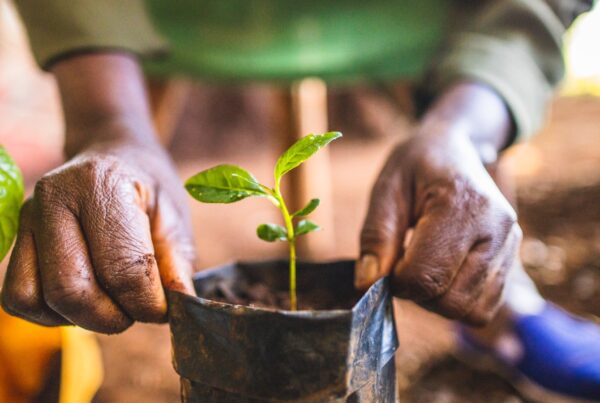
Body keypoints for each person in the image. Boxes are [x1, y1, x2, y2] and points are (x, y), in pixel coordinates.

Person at [1, 0, 599, 400]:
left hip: (411, 15)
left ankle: (503, 309)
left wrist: (467, 126)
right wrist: (106, 120)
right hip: (177, 17)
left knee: (463, 178)